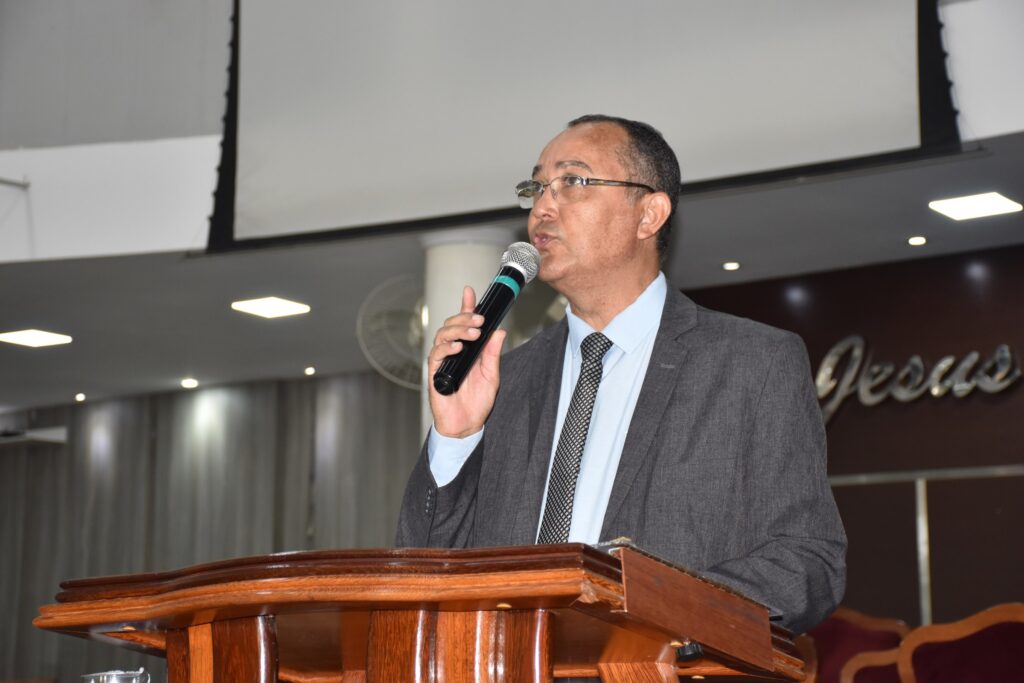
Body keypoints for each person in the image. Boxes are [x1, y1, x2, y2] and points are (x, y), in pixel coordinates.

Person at [396, 114, 846, 635]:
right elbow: (424, 568)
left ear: (649, 214)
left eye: (573, 181)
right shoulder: (505, 380)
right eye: (536, 187)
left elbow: (807, 562)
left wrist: (646, 608)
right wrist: (455, 438)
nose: (542, 207)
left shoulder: (752, 363)